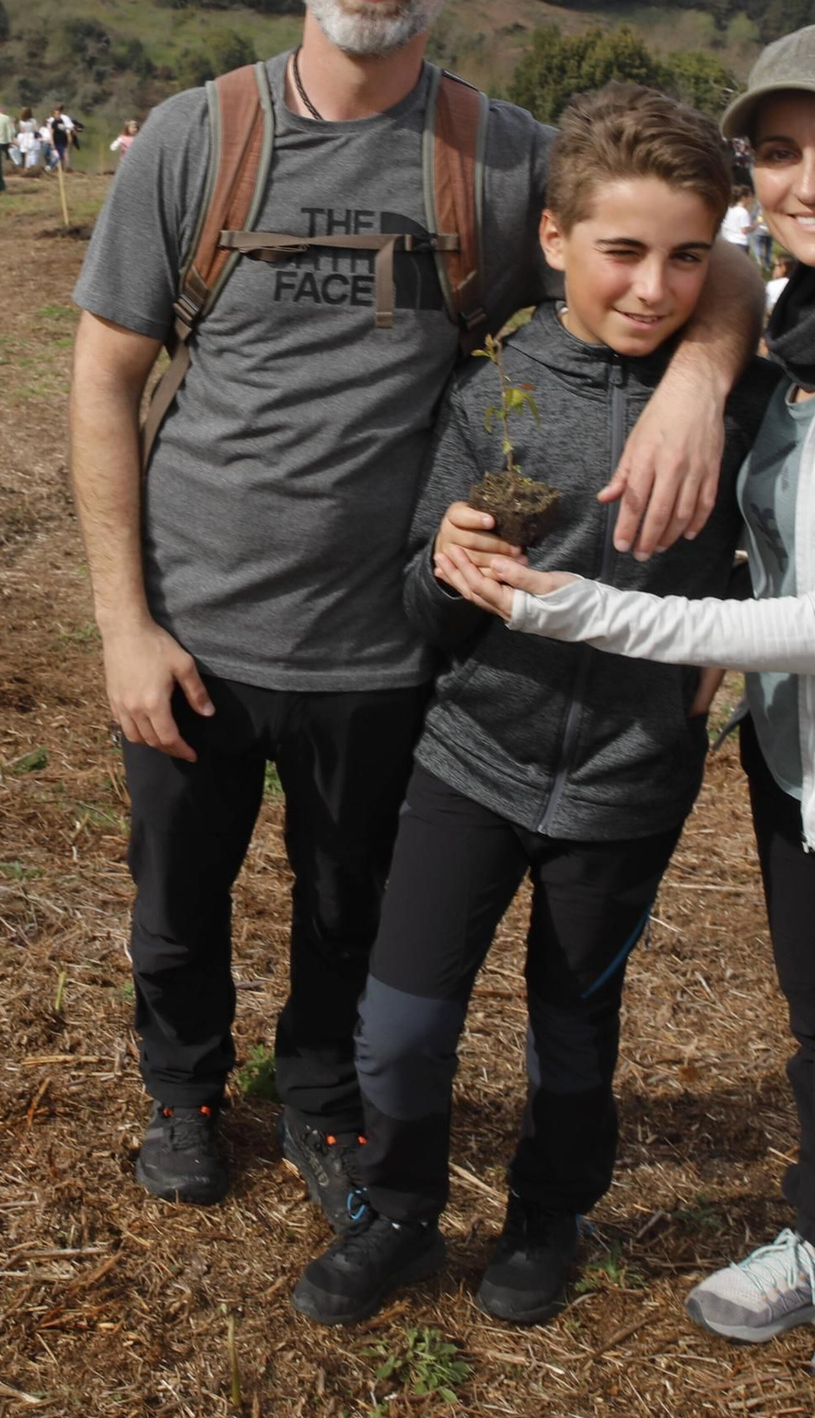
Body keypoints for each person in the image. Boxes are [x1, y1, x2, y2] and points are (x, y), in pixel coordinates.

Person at [68, 0, 761, 1223]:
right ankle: (185, 1092)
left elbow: (709, 248)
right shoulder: (199, 141)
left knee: (349, 911)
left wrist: (696, 382)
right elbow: (104, 379)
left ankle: (321, 1097)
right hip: (195, 628)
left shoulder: (505, 163)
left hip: (386, 648)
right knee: (172, 907)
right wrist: (122, 623)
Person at [441, 21, 815, 1396]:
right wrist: (708, 368)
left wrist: (570, 605)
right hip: (804, 769)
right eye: (777, 153)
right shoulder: (809, 320)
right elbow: (699, 260)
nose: (809, 179)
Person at [291, 82, 774, 1329]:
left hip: (627, 780)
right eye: (622, 251)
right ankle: (395, 1207)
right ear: (554, 239)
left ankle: (547, 1213)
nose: (655, 287)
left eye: (684, 256)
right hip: (469, 760)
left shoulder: (745, 400)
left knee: (576, 1033)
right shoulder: (490, 388)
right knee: (400, 1027)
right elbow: (420, 601)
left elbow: (779, 567)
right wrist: (444, 565)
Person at [766, 252, 795, 317]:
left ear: (784, 268)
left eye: (776, 265)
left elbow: (767, 306)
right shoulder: (796, 284)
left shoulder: (772, 285)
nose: (774, 268)